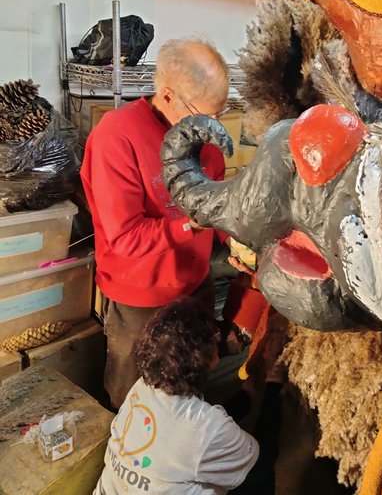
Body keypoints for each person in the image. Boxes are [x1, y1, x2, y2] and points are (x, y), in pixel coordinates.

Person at [81, 37, 230, 409]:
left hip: (195, 285)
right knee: (133, 399)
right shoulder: (117, 137)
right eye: (205, 116)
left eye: (220, 114)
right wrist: (189, 225)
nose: (213, 126)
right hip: (140, 299)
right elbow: (125, 236)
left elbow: (216, 201)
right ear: (167, 96)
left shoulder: (202, 136)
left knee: (192, 390)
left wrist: (234, 238)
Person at [93, 298, 259, 495]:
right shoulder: (208, 425)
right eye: (213, 334)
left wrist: (247, 394)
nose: (218, 336)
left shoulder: (142, 387)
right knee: (259, 476)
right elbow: (249, 460)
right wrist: (272, 383)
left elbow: (198, 434)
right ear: (204, 359)